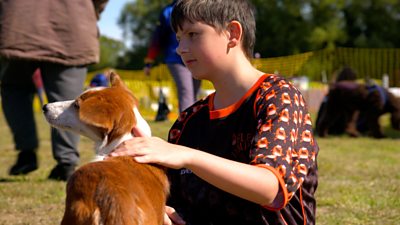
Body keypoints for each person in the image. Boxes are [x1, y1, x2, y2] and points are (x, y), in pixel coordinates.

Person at [111, 0, 319, 224]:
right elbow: (172, 198)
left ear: (232, 33)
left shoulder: (280, 98)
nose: (180, 48)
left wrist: (187, 156)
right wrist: (158, 208)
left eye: (193, 34)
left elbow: (269, 187)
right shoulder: (189, 120)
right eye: (179, 38)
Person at [0, 0, 108, 181]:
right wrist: (92, 10)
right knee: (68, 99)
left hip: (18, 24)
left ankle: (26, 153)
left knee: (15, 89)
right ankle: (66, 162)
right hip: (71, 26)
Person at [144, 0, 201, 113]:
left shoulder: (199, 7)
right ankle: (186, 127)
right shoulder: (168, 12)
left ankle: (196, 124)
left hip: (197, 55)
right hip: (175, 58)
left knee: (194, 93)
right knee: (186, 91)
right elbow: (157, 39)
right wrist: (149, 62)